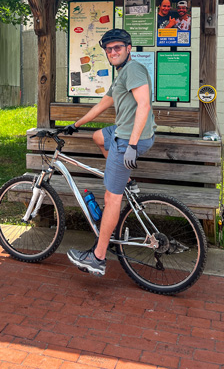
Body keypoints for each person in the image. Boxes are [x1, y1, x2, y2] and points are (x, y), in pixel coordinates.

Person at [63, 29, 156, 277]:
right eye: (109, 49)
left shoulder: (134, 70)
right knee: (97, 136)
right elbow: (102, 105)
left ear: (128, 48)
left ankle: (98, 258)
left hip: (128, 140)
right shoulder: (122, 75)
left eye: (118, 47)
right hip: (122, 132)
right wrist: (76, 125)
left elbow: (144, 105)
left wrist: (133, 146)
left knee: (111, 198)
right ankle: (124, 179)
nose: (113, 52)